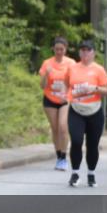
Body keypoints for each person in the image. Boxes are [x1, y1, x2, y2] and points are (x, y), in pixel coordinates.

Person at [64, 40, 107, 187]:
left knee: (92, 145)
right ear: (79, 53)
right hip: (76, 109)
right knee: (76, 141)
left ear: (93, 53)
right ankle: (75, 173)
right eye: (82, 50)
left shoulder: (99, 69)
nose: (85, 53)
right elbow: (67, 84)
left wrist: (94, 88)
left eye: (88, 50)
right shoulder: (72, 68)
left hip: (94, 110)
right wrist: (69, 95)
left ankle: (91, 174)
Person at [39, 38, 75, 171]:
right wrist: (46, 75)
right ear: (53, 49)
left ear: (65, 49)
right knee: (55, 129)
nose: (59, 52)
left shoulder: (71, 63)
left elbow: (75, 81)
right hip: (50, 99)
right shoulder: (47, 63)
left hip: (65, 99)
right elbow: (42, 85)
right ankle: (59, 156)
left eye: (62, 49)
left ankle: (64, 157)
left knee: (63, 127)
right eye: (57, 49)